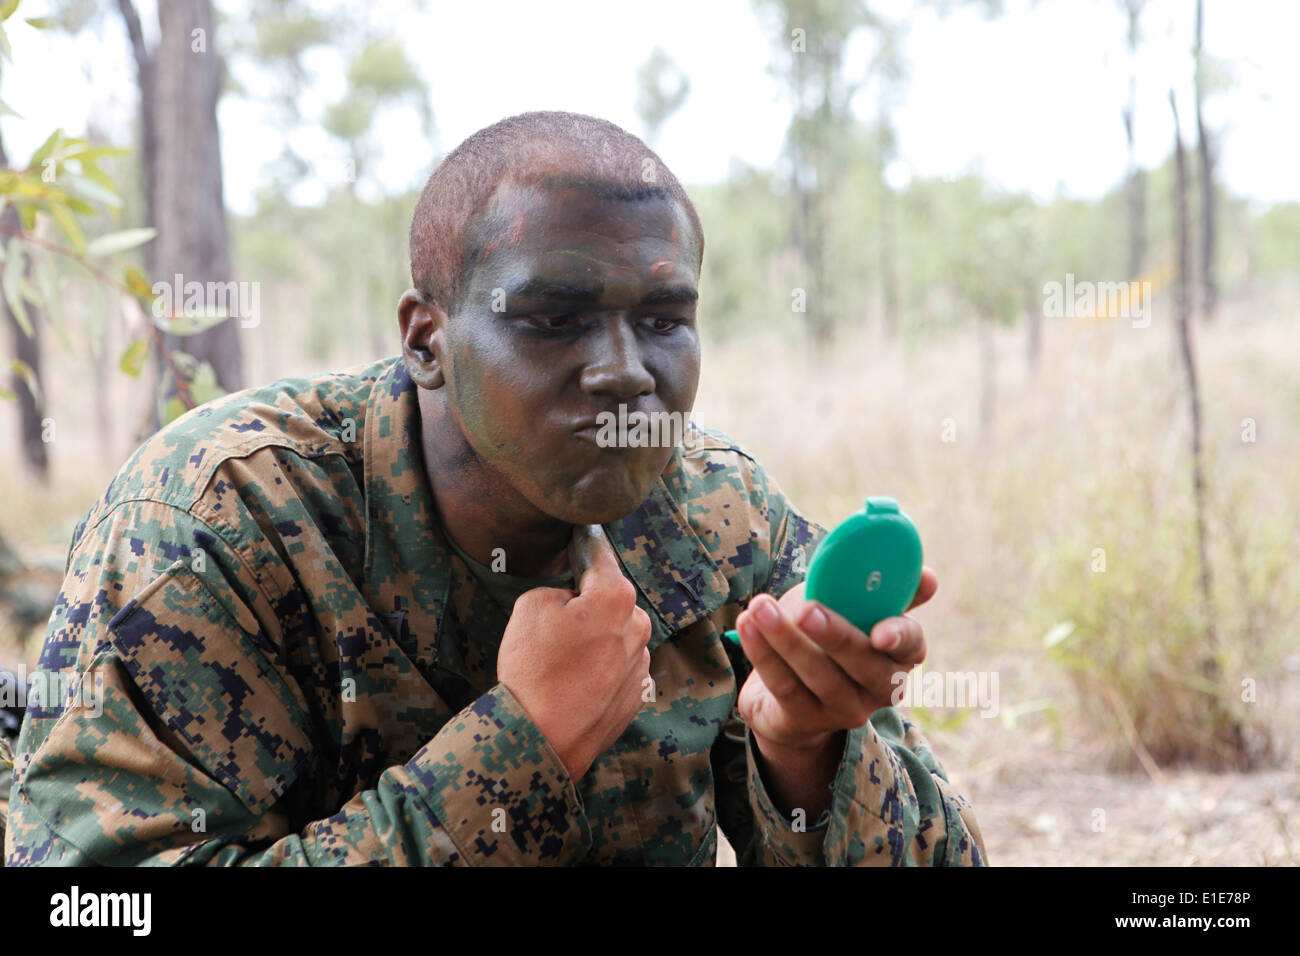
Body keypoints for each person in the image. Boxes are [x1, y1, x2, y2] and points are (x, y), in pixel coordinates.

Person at [4, 111, 986, 866]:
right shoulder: (215, 523)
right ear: (427, 341)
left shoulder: (714, 518)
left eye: (662, 317)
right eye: (553, 318)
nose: (623, 370)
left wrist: (806, 747)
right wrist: (517, 747)